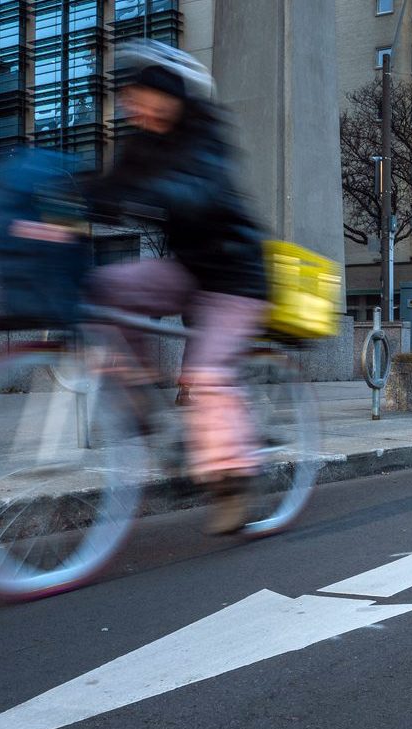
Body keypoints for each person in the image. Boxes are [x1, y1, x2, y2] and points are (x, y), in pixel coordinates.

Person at [83, 41, 270, 535]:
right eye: (126, 99)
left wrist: (150, 191)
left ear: (167, 97)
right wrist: (60, 200)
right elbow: (109, 191)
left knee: (206, 377)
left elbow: (201, 189)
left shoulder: (204, 131)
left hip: (235, 279)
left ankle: (232, 485)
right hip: (186, 271)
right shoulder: (142, 144)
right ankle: (141, 393)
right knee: (103, 286)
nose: (130, 106)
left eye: (137, 96)